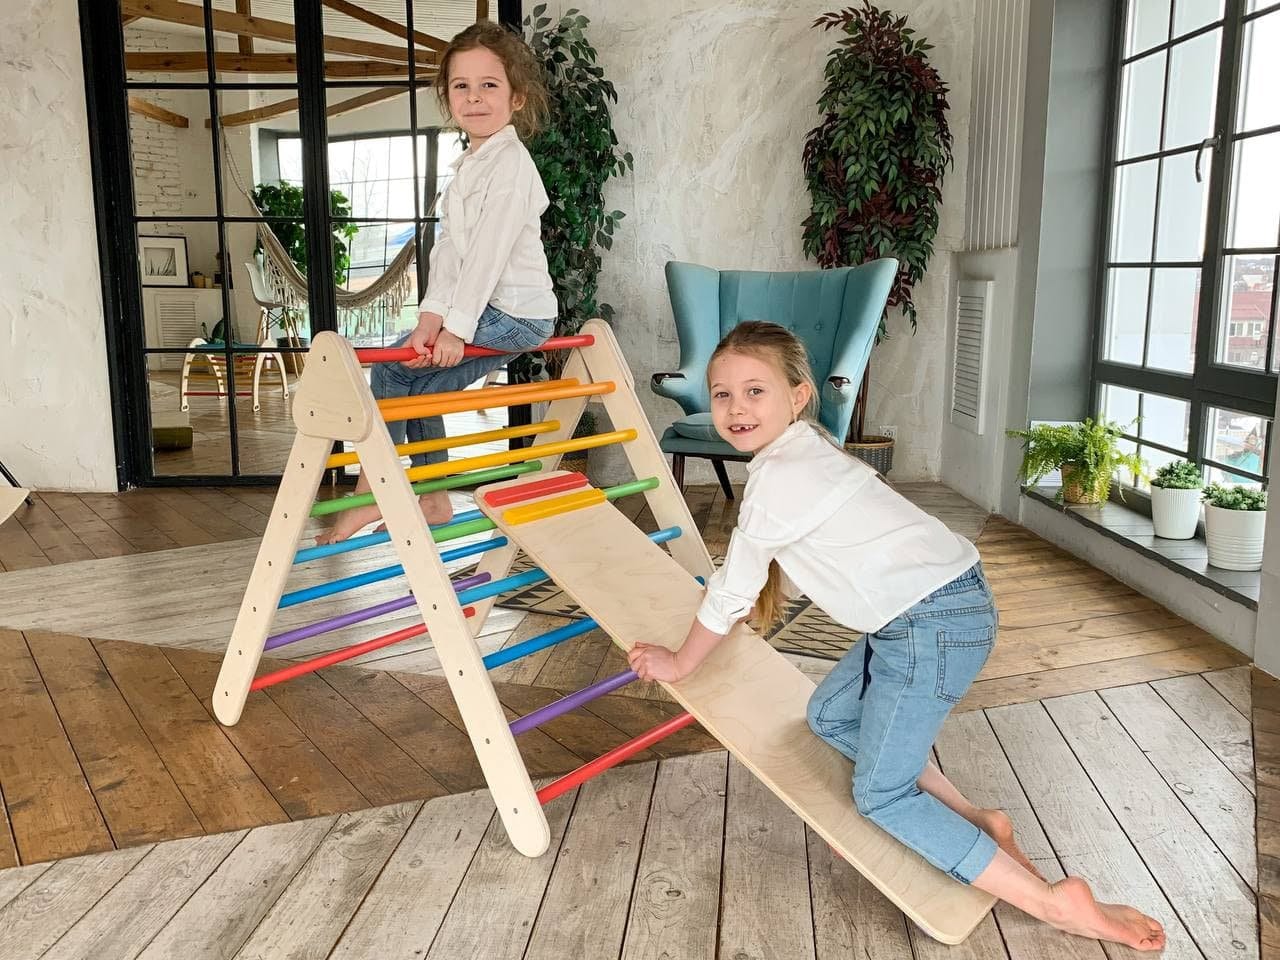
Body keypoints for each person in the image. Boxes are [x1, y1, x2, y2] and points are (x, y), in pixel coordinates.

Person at [628, 321, 1166, 951]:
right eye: (722, 395)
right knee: (830, 716)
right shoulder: (808, 450)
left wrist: (679, 662)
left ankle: (1053, 901)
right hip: (936, 609)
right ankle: (975, 820)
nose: (736, 408)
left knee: (880, 795)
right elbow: (823, 556)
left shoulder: (778, 476)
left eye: (755, 391)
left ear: (797, 395)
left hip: (928, 627)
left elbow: (731, 591)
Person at [318, 21, 556, 544]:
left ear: (516, 98)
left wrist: (457, 329)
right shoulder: (470, 164)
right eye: (461, 86)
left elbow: (488, 257)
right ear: (447, 97)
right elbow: (449, 251)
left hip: (516, 313)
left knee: (393, 375)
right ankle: (433, 497)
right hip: (486, 311)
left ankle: (376, 488)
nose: (474, 98)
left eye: (489, 85)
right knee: (418, 386)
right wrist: (429, 320)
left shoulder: (512, 166)